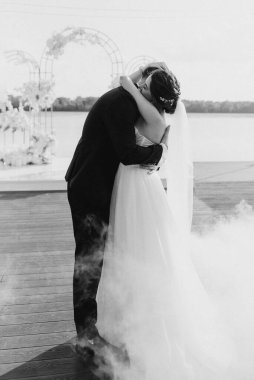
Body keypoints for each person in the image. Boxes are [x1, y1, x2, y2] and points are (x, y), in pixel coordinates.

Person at [96, 70, 236, 379]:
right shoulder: (160, 118)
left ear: (151, 91)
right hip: (145, 182)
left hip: (134, 183)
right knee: (145, 244)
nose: (141, 88)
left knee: (133, 244)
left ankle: (135, 321)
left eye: (146, 85)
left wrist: (136, 86)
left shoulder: (147, 111)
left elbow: (124, 83)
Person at [65, 62, 170, 360]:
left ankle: (92, 327)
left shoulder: (125, 97)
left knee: (96, 257)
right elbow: (126, 154)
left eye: (146, 85)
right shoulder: (121, 103)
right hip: (89, 186)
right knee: (89, 259)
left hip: (96, 182)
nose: (141, 87)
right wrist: (161, 151)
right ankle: (86, 336)